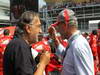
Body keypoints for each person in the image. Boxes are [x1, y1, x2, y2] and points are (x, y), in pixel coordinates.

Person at [49, 8, 94, 75]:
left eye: (58, 25)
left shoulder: (78, 45)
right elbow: (65, 55)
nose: (57, 30)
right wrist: (55, 40)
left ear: (65, 25)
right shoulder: (74, 42)